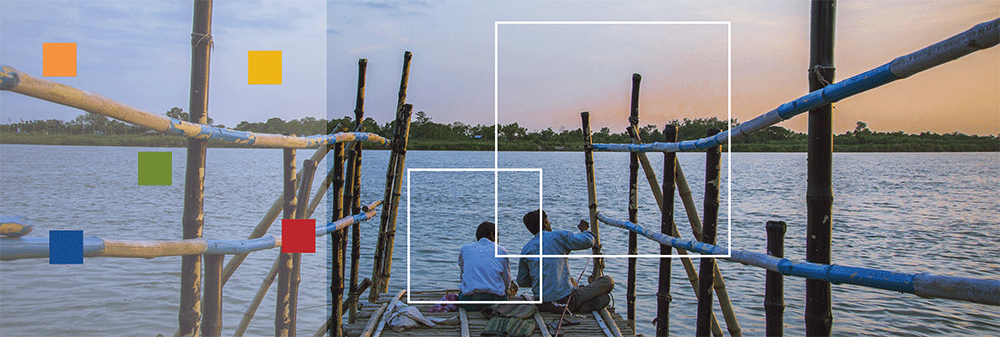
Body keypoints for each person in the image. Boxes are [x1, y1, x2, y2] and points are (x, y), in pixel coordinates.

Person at [517, 209, 614, 314]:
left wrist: (542, 280)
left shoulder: (526, 249)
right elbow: (588, 241)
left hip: (542, 304)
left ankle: (578, 306)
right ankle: (577, 306)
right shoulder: (558, 236)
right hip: (564, 301)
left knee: (573, 283)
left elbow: (522, 281)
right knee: (608, 283)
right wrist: (585, 230)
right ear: (546, 223)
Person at [458, 221, 515, 311]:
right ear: (492, 234)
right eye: (497, 236)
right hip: (495, 301)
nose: (498, 240)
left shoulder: (465, 248)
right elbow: (506, 280)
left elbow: (462, 275)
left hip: (469, 302)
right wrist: (507, 289)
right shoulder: (501, 250)